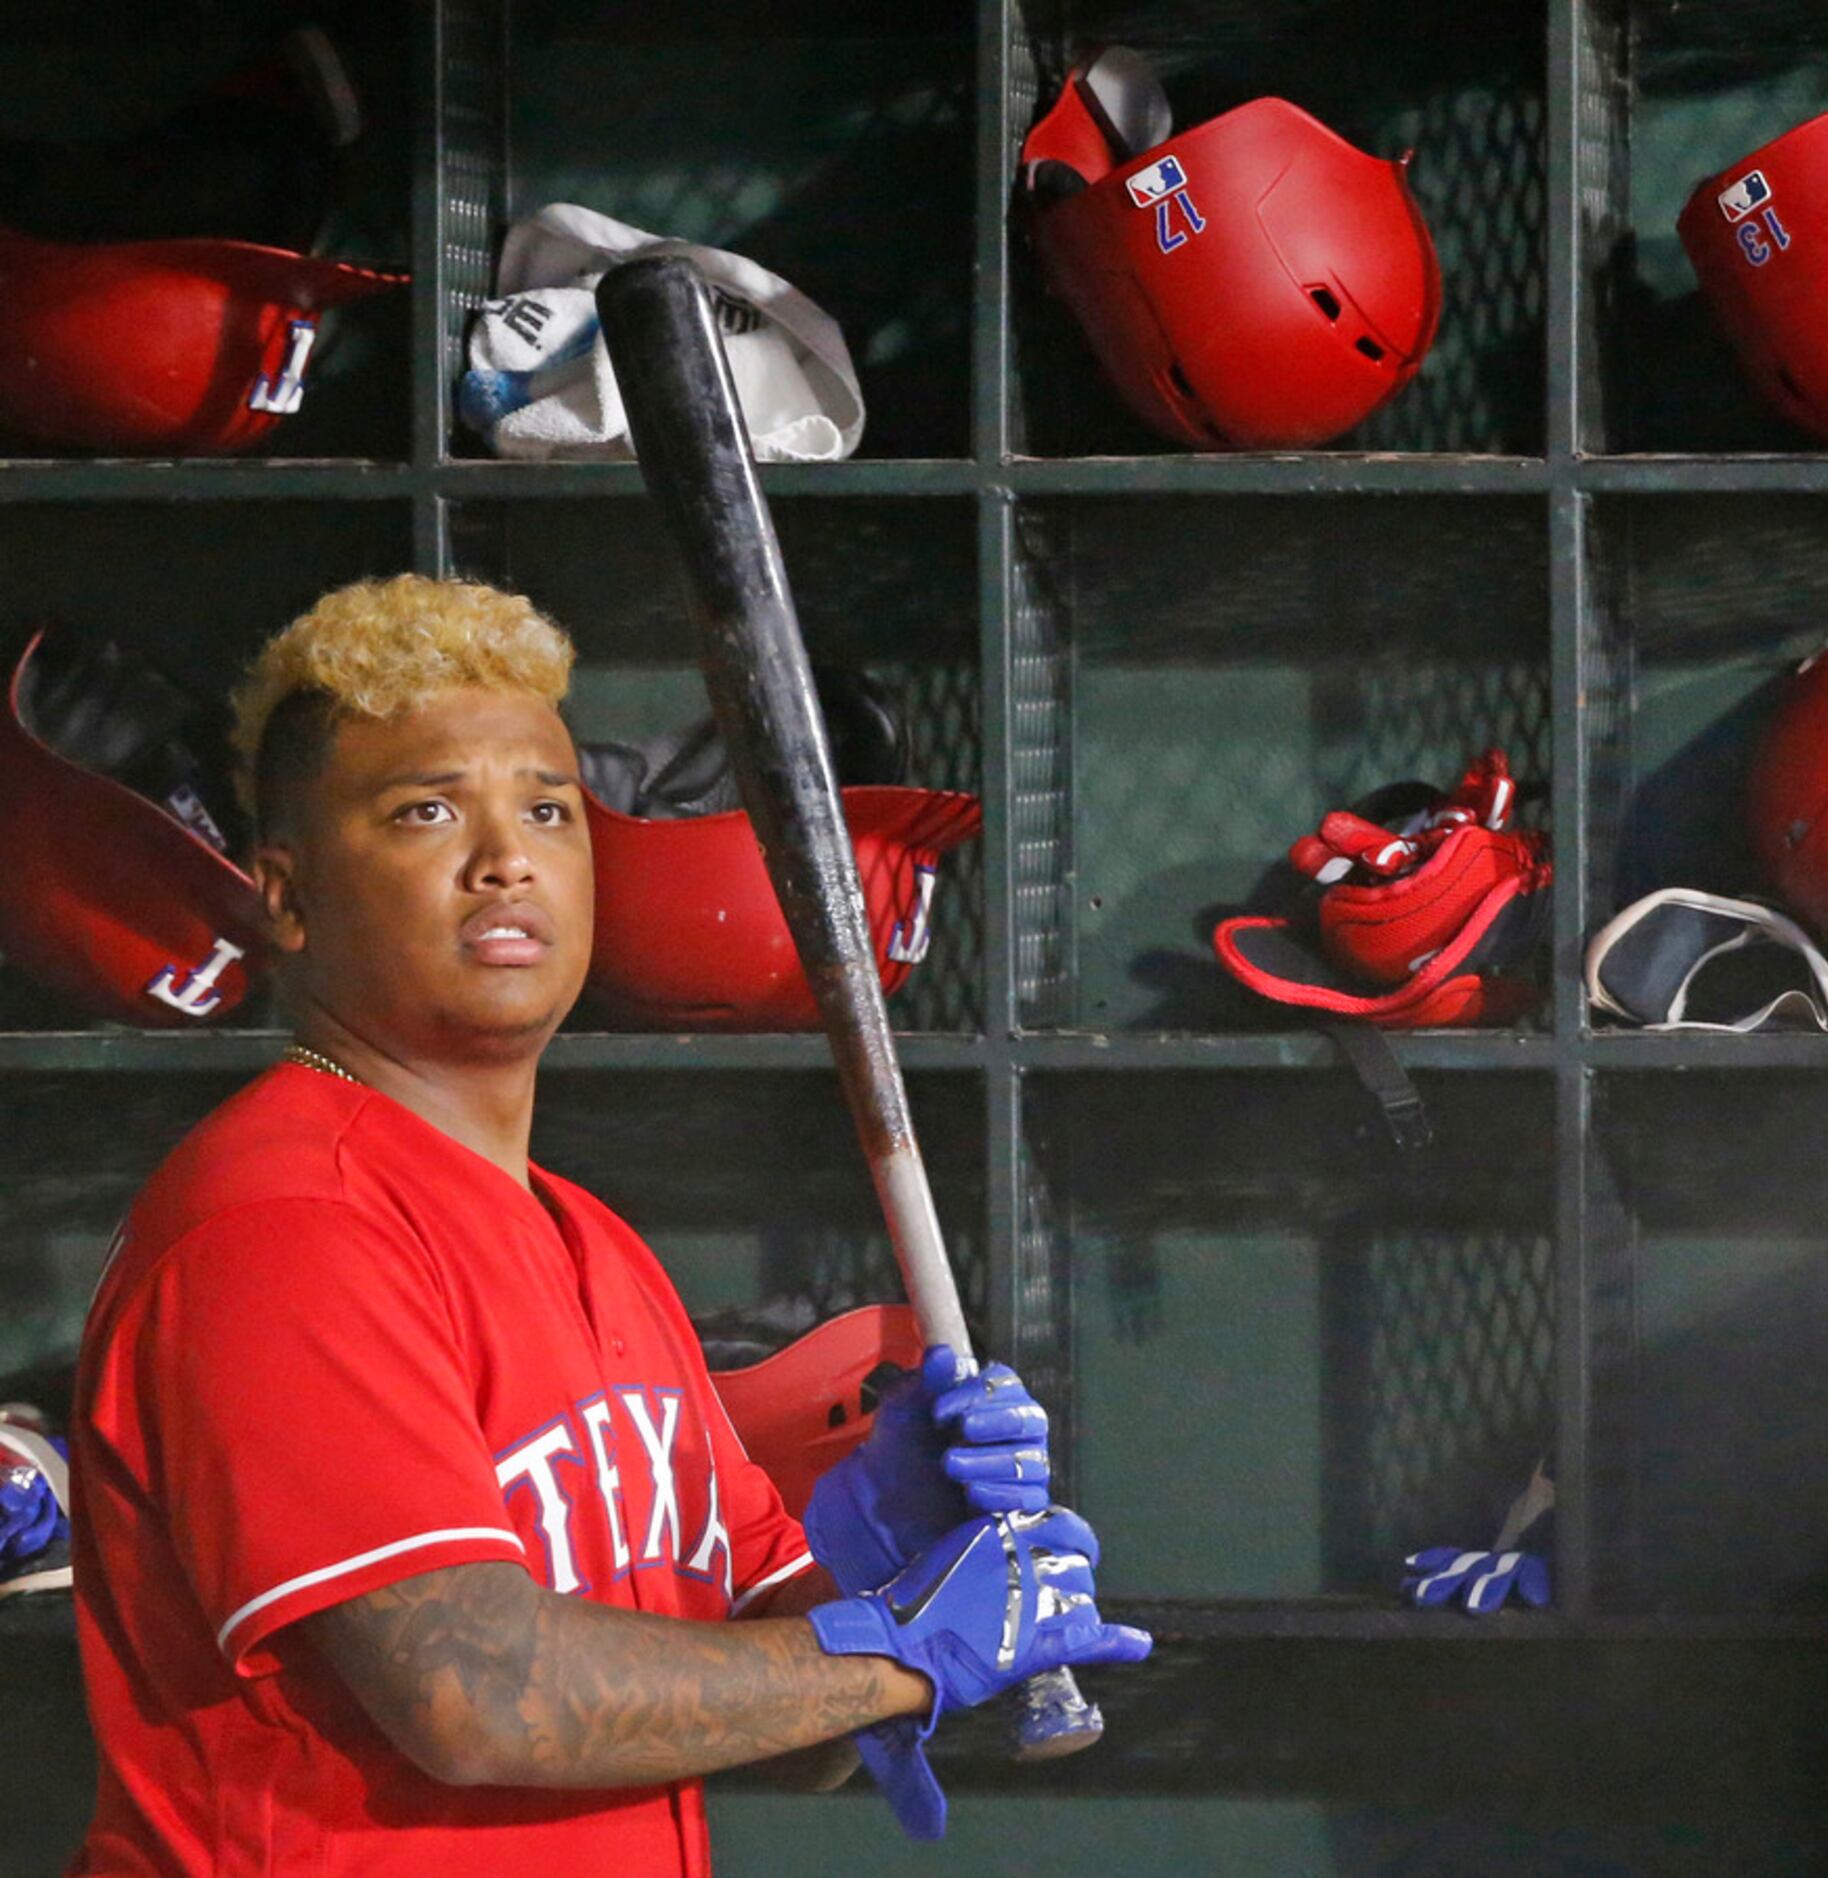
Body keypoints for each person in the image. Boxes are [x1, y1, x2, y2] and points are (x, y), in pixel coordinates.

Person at [66, 574, 1148, 1875]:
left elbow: (766, 1722)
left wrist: (890, 1549)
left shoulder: (597, 1245)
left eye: (546, 807)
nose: (506, 854)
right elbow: (478, 1693)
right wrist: (902, 1651)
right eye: (424, 810)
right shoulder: (285, 1224)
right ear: (285, 897)